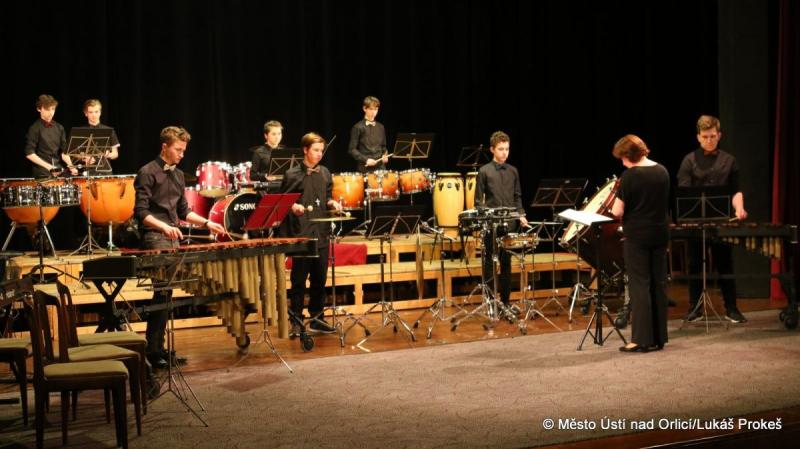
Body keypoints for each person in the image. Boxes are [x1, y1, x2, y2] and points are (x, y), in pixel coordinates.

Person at [133, 126, 225, 369]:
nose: (182, 154)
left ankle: (158, 348)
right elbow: (140, 212)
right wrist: (163, 226)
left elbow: (184, 211)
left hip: (172, 238)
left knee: (166, 295)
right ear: (164, 147)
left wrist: (207, 223)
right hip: (154, 237)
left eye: (184, 150)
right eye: (178, 149)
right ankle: (153, 350)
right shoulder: (147, 172)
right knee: (162, 293)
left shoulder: (179, 175)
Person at [677, 115, 748, 323]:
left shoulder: (729, 160)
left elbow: (736, 191)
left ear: (719, 135)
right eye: (705, 137)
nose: (709, 140)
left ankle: (731, 308)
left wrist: (739, 208)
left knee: (726, 264)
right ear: (698, 137)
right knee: (695, 265)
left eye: (713, 136)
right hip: (695, 223)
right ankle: (695, 308)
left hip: (721, 221)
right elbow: (684, 194)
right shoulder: (689, 161)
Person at [611, 135, 670, 353]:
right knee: (658, 283)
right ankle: (659, 337)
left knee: (640, 285)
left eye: (623, 158)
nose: (622, 162)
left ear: (630, 156)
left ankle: (641, 339)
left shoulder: (629, 176)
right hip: (660, 233)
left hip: (637, 236)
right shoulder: (662, 171)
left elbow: (617, 211)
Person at [280, 132, 343, 337]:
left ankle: (317, 318)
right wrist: (294, 206)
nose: (319, 154)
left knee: (319, 279)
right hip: (302, 232)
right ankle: (296, 321)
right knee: (299, 281)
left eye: (321, 151)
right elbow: (284, 201)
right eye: (315, 150)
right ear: (305, 150)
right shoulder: (291, 174)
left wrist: (332, 203)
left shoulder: (325, 172)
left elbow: (326, 197)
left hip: (321, 231)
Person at [474, 131, 528, 310]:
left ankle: (505, 301)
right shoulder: (484, 171)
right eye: (501, 149)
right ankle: (491, 302)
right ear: (492, 149)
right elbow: (478, 203)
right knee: (490, 262)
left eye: (507, 149)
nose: (505, 153)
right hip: (492, 224)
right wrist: (488, 215)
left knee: (506, 263)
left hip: (509, 224)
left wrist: (521, 214)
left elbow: (517, 197)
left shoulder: (513, 171)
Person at [24, 94, 78, 178]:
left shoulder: (59, 127)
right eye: (47, 109)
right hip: (42, 171)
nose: (51, 113)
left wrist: (71, 166)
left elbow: (64, 152)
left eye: (53, 109)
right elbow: (29, 153)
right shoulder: (34, 128)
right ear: (39, 109)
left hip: (57, 169)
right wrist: (50, 167)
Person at [347, 96, 389, 173]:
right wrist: (366, 160)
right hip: (365, 168)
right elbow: (352, 149)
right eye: (371, 109)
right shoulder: (357, 127)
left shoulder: (381, 127)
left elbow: (383, 147)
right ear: (364, 108)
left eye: (376, 109)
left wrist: (385, 155)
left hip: (380, 168)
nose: (373, 112)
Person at [82, 98, 120, 172]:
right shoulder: (81, 131)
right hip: (88, 171)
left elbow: (115, 154)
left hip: (105, 171)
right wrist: (84, 158)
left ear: (100, 112)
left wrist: (108, 155)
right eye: (90, 112)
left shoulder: (109, 130)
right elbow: (75, 154)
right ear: (86, 113)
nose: (94, 115)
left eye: (96, 112)